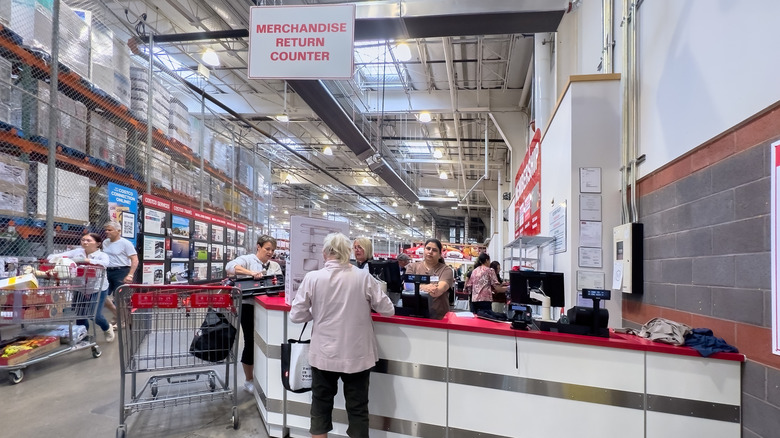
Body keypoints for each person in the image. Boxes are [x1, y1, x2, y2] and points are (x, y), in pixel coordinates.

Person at [290, 233, 394, 438]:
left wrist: (316, 312)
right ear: (348, 252)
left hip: (323, 354)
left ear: (325, 253)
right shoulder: (363, 276)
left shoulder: (313, 278)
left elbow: (296, 315)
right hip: (357, 354)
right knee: (358, 409)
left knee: (320, 406)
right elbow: (388, 309)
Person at [225, 235, 282, 394]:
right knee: (250, 341)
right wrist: (252, 273)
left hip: (269, 309)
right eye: (267, 249)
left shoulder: (275, 265)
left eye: (272, 250)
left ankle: (264, 376)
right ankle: (248, 380)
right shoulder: (248, 259)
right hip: (249, 307)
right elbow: (230, 267)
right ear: (258, 247)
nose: (270, 252)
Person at [48, 233, 114, 342]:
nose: (85, 242)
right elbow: (56, 256)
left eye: (88, 240)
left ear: (98, 244)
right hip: (80, 288)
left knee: (95, 315)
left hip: (97, 288)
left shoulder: (102, 255)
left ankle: (107, 328)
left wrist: (86, 261)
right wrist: (55, 259)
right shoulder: (77, 252)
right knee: (80, 315)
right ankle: (82, 335)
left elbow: (104, 264)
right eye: (83, 240)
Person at [403, 238, 455, 319]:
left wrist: (416, 286)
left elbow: (437, 291)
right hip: (415, 314)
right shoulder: (412, 267)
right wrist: (425, 287)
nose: (430, 252)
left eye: (434, 250)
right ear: (424, 250)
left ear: (440, 254)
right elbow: (407, 286)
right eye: (428, 248)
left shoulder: (446, 270)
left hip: (439, 316)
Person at [102, 222, 138, 324]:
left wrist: (130, 274)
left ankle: (122, 321)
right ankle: (118, 315)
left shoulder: (126, 243)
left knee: (120, 298)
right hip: (108, 271)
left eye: (110, 230)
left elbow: (135, 260)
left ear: (118, 231)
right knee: (102, 295)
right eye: (106, 230)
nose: (107, 232)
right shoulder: (105, 242)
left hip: (121, 271)